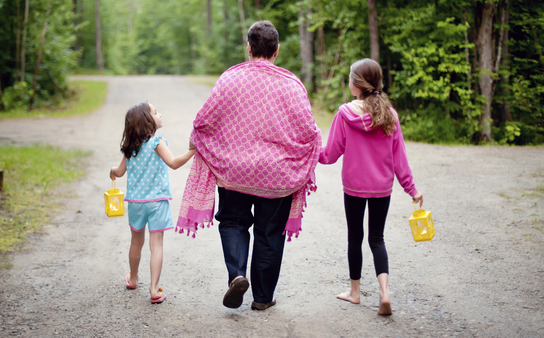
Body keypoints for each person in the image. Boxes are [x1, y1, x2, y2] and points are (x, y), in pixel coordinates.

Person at [175, 21, 322, 311]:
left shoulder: (229, 79)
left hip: (234, 171)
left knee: (233, 222)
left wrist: (198, 141)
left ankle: (237, 275)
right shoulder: (292, 85)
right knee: (269, 234)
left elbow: (203, 121)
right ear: (276, 50)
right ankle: (263, 298)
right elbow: (309, 131)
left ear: (249, 48)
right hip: (277, 175)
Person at [319, 58, 423, 316]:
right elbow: (399, 160)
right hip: (381, 188)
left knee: (355, 237)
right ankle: (384, 292)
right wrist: (412, 189)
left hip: (354, 187)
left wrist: (308, 149)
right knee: (377, 238)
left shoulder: (345, 114)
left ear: (356, 84)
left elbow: (329, 155)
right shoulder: (390, 114)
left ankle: (355, 293)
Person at [109, 102, 195, 304]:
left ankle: (132, 278)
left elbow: (119, 172)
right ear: (147, 122)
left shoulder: (131, 148)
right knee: (156, 245)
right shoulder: (157, 142)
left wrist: (112, 171)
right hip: (157, 202)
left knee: (135, 243)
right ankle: (154, 289)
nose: (160, 114)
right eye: (156, 112)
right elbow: (173, 163)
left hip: (136, 203)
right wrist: (192, 151)